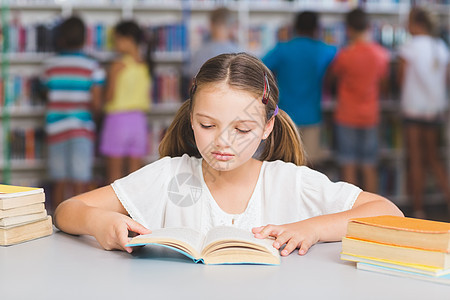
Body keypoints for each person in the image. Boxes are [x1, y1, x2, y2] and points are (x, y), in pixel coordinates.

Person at [54, 53, 403, 256]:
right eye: (207, 125)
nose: (224, 143)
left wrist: (310, 229)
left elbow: (388, 213)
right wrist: (100, 222)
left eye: (242, 129)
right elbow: (68, 210)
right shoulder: (170, 175)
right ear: (191, 119)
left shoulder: (289, 182)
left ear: (267, 126)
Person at [42, 16, 105, 212]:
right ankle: (79, 222)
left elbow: (46, 93)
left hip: (55, 127)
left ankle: (57, 220)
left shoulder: (50, 65)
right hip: (81, 128)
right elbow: (96, 102)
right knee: (81, 180)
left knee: (59, 179)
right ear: (85, 38)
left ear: (60, 38)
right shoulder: (92, 66)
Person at [262, 11, 337, 165]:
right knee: (309, 167)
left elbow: (259, 68)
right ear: (317, 29)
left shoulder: (283, 49)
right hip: (312, 116)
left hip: (285, 115)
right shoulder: (326, 50)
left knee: (283, 164)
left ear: (294, 27)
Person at [330, 8, 390, 193]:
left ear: (348, 29)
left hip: (346, 115)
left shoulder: (345, 55)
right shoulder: (380, 54)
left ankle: (351, 215)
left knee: (349, 166)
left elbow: (333, 79)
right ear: (369, 27)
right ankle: (373, 215)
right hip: (370, 116)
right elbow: (384, 85)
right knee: (369, 165)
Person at [398, 7, 450, 218]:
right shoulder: (441, 47)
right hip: (435, 110)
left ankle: (418, 209)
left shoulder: (408, 47)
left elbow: (400, 79)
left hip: (413, 110)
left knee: (416, 159)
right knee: (434, 158)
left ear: (415, 23)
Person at [99, 20, 152, 184]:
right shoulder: (145, 64)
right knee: (135, 180)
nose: (114, 45)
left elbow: (109, 96)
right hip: (139, 121)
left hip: (117, 121)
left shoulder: (118, 65)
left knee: (113, 179)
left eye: (116, 40)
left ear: (128, 39)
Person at [183, 7, 240, 81]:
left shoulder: (200, 53)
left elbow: (191, 82)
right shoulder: (240, 52)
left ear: (211, 24)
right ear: (232, 26)